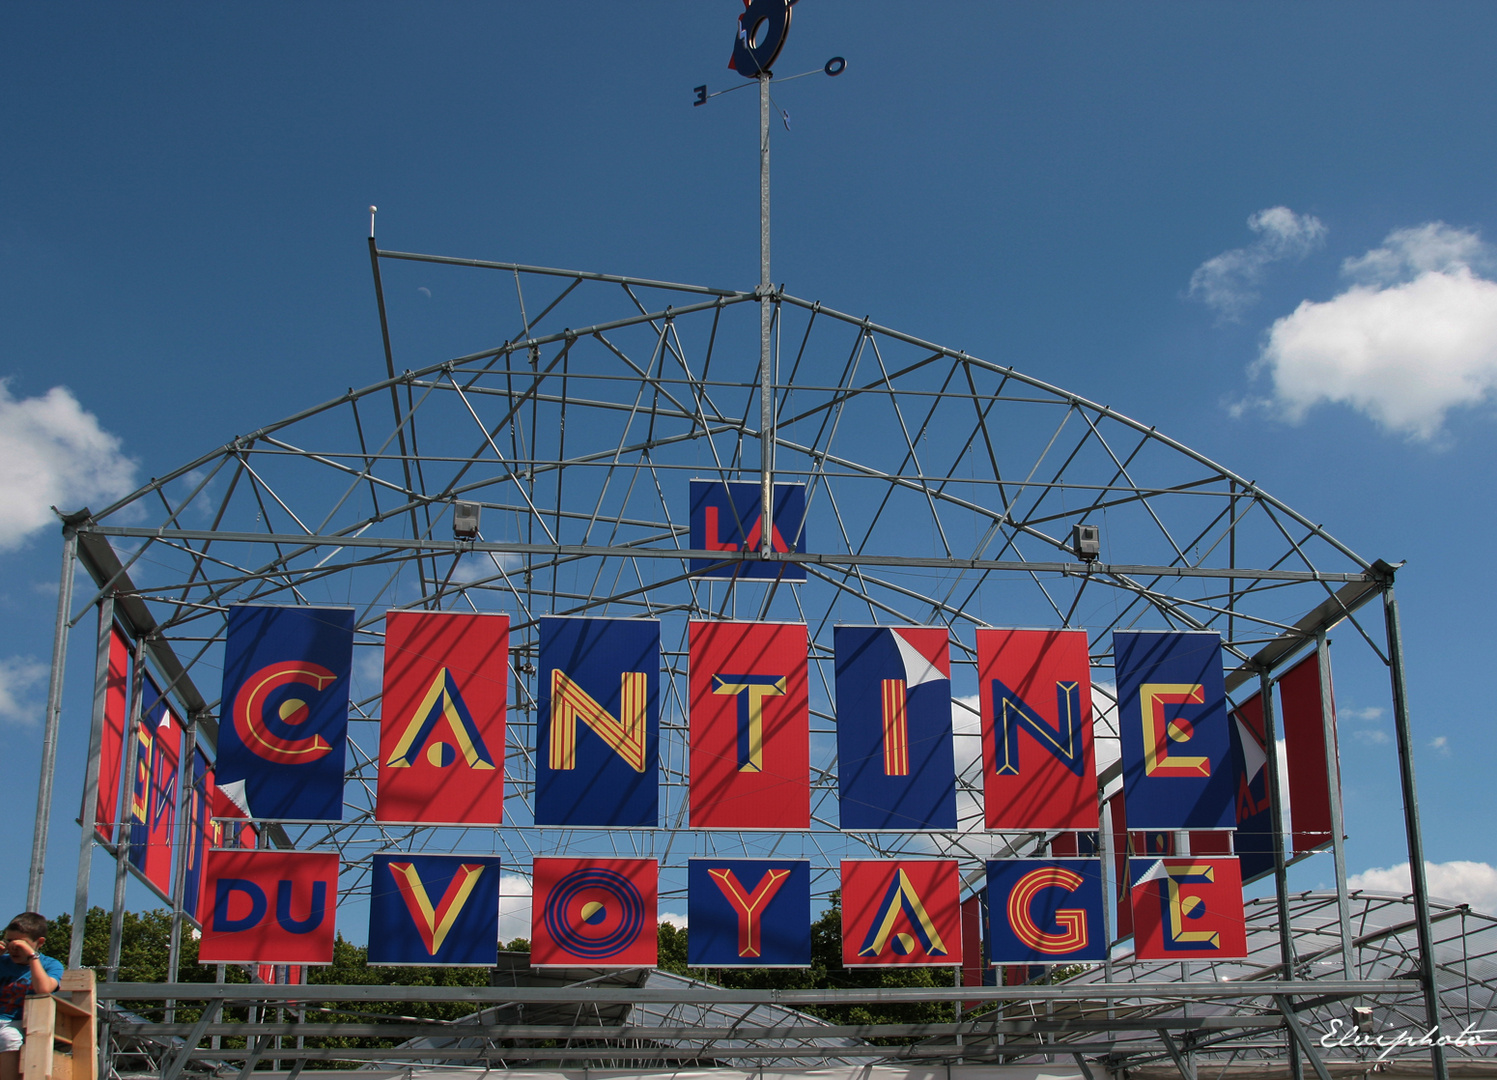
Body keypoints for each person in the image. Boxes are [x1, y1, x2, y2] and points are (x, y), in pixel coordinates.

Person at [0, 913, 62, 1080]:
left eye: (22, 943)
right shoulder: (2, 961)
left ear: (39, 943)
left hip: (21, 1023)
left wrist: (31, 956)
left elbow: (43, 989)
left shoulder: (50, 964)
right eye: (10, 941)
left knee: (8, 1037)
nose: (14, 947)